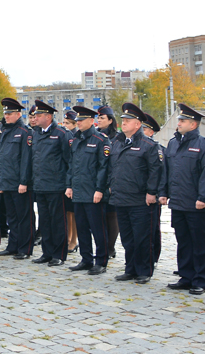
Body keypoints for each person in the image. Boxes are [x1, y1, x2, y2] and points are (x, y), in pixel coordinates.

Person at [162, 104, 205, 295]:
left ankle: (201, 279)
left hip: (195, 204)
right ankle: (186, 276)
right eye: (179, 120)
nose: (179, 123)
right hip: (178, 201)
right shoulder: (173, 143)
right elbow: (167, 171)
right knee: (183, 241)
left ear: (193, 124)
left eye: (183, 121)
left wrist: (203, 197)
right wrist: (164, 192)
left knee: (199, 243)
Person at [109, 103, 162, 284]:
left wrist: (151, 192)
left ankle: (144, 270)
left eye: (128, 121)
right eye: (122, 120)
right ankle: (130, 268)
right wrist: (111, 185)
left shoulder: (148, 145)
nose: (123, 123)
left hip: (140, 199)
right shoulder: (117, 142)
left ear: (138, 125)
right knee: (127, 238)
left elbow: (155, 171)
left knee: (142, 238)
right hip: (121, 197)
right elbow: (112, 167)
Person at [66, 106, 109, 275]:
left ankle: (101, 261)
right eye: (77, 120)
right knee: (82, 227)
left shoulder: (100, 139)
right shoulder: (75, 139)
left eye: (81, 120)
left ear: (91, 121)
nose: (78, 123)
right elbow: (71, 165)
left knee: (98, 229)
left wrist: (100, 189)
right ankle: (86, 259)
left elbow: (103, 167)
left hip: (93, 192)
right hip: (78, 190)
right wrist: (69, 185)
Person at [29, 100, 71, 265]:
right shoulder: (36, 133)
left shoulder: (61, 133)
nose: (35, 118)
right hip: (40, 185)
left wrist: (68, 184)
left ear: (48, 116)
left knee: (58, 221)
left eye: (38, 115)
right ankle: (47, 252)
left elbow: (68, 161)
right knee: (44, 221)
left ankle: (59, 254)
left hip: (56, 185)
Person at [0, 97, 34, 259]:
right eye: (5, 113)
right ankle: (13, 246)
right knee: (12, 218)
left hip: (19, 183)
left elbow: (26, 160)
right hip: (7, 181)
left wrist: (24, 182)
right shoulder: (5, 132)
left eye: (9, 113)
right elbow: (2, 159)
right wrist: (0, 181)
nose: (6, 116)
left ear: (18, 114)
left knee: (24, 217)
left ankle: (25, 248)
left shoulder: (25, 132)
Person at [95, 105, 121, 261]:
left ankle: (110, 247)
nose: (99, 121)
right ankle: (102, 245)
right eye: (98, 118)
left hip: (111, 182)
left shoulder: (116, 138)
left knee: (112, 216)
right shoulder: (96, 136)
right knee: (100, 216)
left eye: (102, 118)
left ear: (110, 120)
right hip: (98, 180)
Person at [143, 114, 167, 274]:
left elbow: (161, 174)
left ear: (151, 132)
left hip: (152, 196)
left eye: (143, 129)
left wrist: (158, 194)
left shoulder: (159, 150)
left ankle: (154, 257)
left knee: (152, 229)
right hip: (136, 195)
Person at [62, 109, 79, 254]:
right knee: (67, 211)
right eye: (64, 122)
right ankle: (68, 238)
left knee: (73, 213)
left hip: (74, 180)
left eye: (68, 123)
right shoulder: (66, 135)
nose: (65, 125)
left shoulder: (74, 137)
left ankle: (73, 240)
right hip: (65, 179)